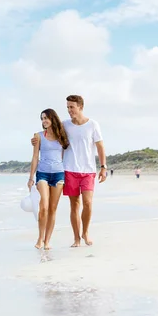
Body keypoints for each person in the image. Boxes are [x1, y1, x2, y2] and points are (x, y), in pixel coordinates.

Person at [31, 95, 107, 247]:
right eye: (67, 107)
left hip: (88, 170)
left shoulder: (93, 125)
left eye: (71, 107)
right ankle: (76, 239)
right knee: (74, 205)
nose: (69, 110)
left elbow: (100, 146)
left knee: (88, 202)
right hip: (69, 169)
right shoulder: (64, 125)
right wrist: (35, 140)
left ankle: (85, 232)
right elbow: (49, 131)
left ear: (80, 107)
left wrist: (103, 167)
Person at [28, 108, 69, 250]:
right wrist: (31, 177)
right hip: (43, 173)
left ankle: (47, 241)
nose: (44, 121)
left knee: (53, 209)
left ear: (53, 119)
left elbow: (65, 154)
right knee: (44, 206)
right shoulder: (38, 136)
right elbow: (35, 157)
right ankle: (40, 238)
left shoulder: (62, 136)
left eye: (46, 118)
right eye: (42, 118)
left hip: (58, 174)